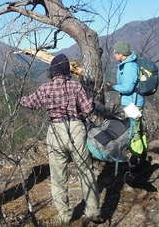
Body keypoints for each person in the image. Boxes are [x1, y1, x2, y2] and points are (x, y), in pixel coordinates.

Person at [20, 54, 103, 225]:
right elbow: (88, 109)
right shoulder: (76, 86)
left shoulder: (46, 88)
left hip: (56, 132)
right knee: (85, 171)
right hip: (76, 129)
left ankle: (64, 214)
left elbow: (31, 103)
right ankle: (93, 210)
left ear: (52, 71)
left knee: (58, 176)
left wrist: (20, 99)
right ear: (67, 70)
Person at [106, 42, 146, 162]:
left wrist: (113, 87)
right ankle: (139, 156)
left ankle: (137, 159)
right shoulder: (126, 64)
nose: (114, 54)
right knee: (135, 130)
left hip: (133, 103)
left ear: (121, 54)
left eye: (115, 52)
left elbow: (128, 88)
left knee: (134, 132)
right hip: (131, 102)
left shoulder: (129, 67)